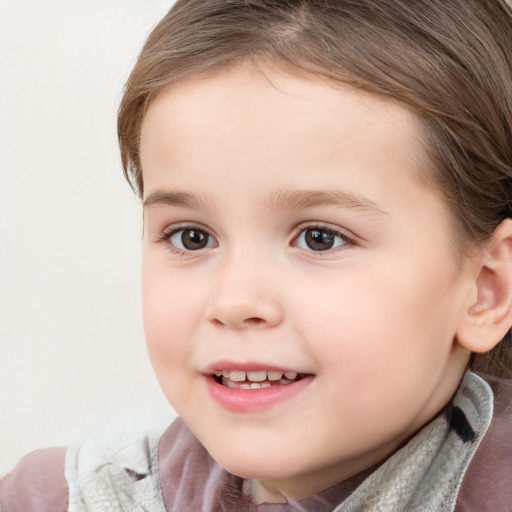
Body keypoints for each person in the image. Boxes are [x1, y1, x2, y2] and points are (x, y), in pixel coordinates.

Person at [1, 0, 511, 510]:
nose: (235, 300)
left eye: (319, 238)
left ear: (488, 289)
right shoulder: (59, 499)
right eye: (191, 237)